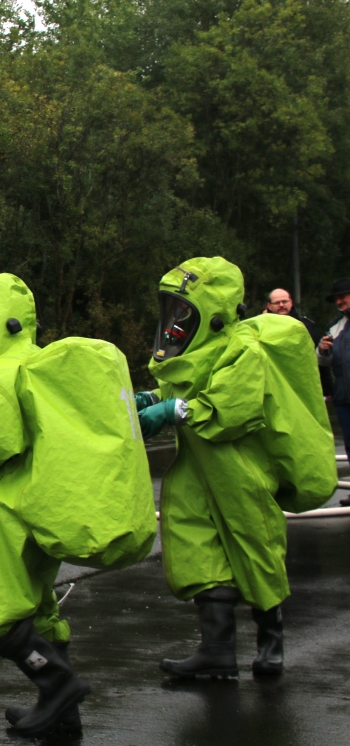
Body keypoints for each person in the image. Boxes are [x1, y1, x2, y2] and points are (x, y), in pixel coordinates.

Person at [0, 273, 155, 737]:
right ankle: (62, 715)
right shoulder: (39, 364)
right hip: (37, 509)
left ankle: (57, 684)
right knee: (40, 606)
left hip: (0, 512)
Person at [137, 257, 318, 679]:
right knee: (195, 546)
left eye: (185, 311)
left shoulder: (244, 350)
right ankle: (217, 651)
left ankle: (270, 642)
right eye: (173, 311)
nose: (176, 322)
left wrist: (176, 410)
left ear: (213, 313)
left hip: (240, 470)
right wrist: (152, 399)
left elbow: (233, 407)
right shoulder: (194, 350)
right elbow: (179, 385)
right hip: (196, 468)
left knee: (256, 550)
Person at [317, 277, 350, 504]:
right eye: (337, 298)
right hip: (344, 395)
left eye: (343, 296)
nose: (340, 301)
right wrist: (322, 350)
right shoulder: (335, 326)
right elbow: (323, 362)